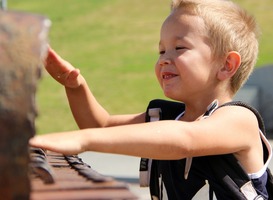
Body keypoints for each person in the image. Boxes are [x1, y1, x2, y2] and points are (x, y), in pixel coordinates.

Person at [30, 0, 272, 199]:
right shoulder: (165, 118)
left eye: (179, 48)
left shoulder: (239, 120)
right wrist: (75, 86)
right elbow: (100, 127)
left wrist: (81, 140)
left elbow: (184, 139)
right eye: (161, 50)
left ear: (226, 65)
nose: (165, 59)